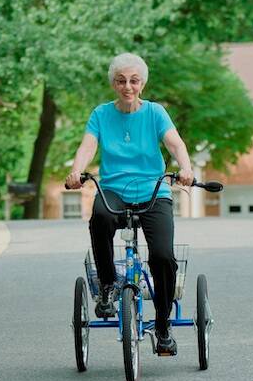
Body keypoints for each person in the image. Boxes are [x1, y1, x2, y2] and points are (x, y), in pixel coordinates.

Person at [65, 53, 195, 355]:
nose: (127, 86)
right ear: (113, 83)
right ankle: (108, 285)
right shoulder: (101, 114)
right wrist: (76, 171)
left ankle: (162, 325)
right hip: (114, 189)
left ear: (143, 83)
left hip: (153, 191)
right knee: (99, 216)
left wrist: (185, 168)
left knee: (163, 256)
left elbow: (175, 143)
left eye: (134, 80)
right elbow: (88, 145)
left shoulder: (155, 113)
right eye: (121, 81)